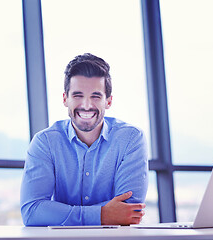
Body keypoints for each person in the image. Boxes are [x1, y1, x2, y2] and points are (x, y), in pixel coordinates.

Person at [20, 53, 148, 226]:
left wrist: (59, 213)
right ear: (65, 99)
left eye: (95, 96)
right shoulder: (46, 142)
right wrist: (102, 215)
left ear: (108, 101)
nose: (86, 105)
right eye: (78, 95)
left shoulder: (130, 139)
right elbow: (32, 212)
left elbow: (129, 210)